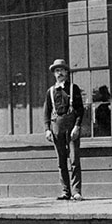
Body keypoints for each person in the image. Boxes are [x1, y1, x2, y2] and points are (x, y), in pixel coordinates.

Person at [43, 59, 85, 201]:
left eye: (61, 70)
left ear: (66, 72)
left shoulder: (73, 88)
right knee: (61, 161)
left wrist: (77, 126)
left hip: (71, 125)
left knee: (74, 159)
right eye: (56, 71)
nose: (59, 73)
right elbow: (46, 112)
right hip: (56, 126)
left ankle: (76, 191)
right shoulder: (50, 92)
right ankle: (65, 191)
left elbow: (80, 110)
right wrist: (47, 129)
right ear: (54, 74)